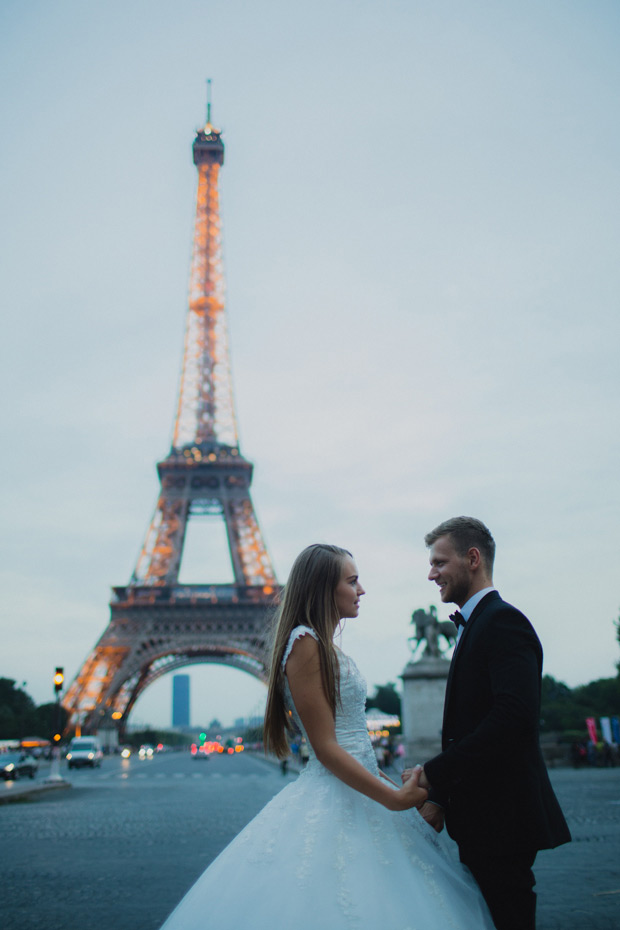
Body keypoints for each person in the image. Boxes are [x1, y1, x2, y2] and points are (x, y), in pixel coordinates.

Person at [160, 543, 496, 930]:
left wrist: (392, 787)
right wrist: (393, 799)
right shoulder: (305, 644)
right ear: (323, 588)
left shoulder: (319, 645)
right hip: (342, 795)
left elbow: (356, 748)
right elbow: (326, 748)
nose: (361, 590)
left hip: (352, 794)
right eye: (352, 581)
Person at [410, 517, 571, 930]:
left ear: (473, 559)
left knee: (508, 916)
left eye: (439, 562)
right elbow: (472, 726)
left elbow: (513, 719)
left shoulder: (502, 622)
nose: (431, 574)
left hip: (503, 817)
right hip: (485, 816)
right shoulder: (479, 624)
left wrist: (432, 773)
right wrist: (441, 796)